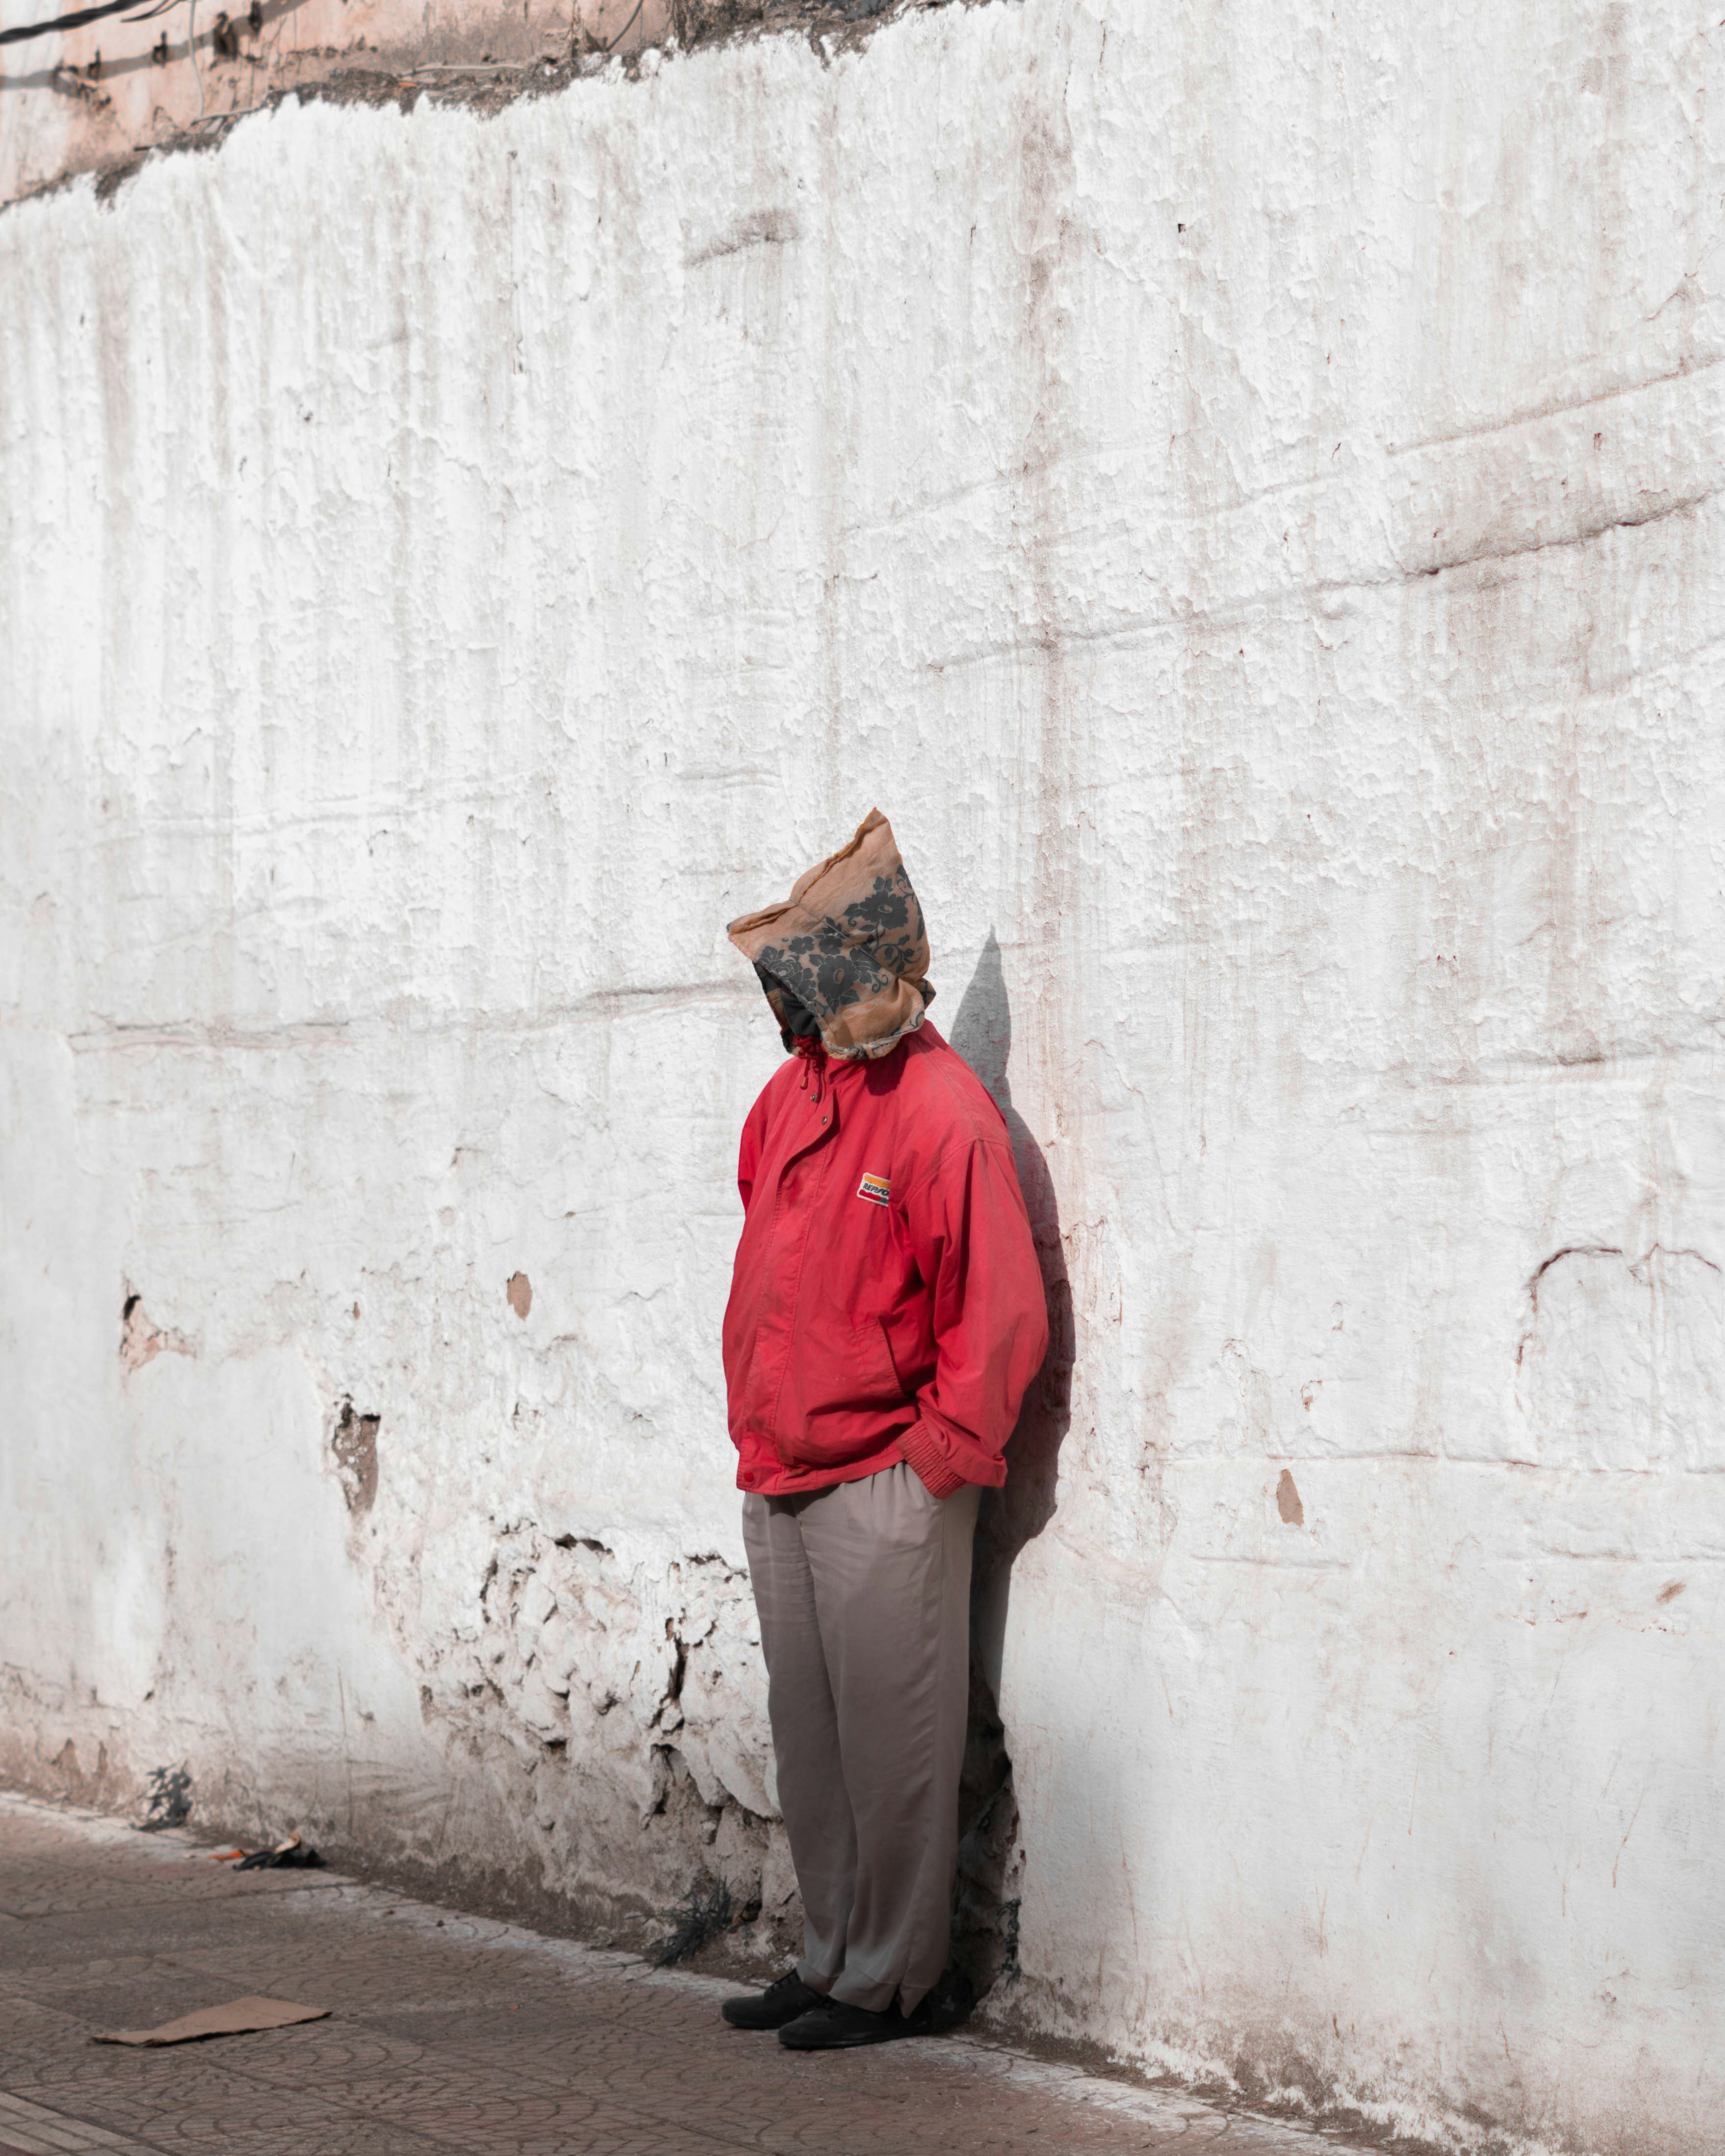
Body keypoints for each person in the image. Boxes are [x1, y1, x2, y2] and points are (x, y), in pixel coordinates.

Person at [716, 809, 1049, 2051]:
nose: (780, 1006)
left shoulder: (939, 1114)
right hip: (780, 1470)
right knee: (814, 1743)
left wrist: (935, 1466)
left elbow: (1000, 1314)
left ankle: (894, 1981)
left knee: (898, 1747)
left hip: (885, 1480)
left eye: (795, 983)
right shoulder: (787, 1100)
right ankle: (830, 1954)